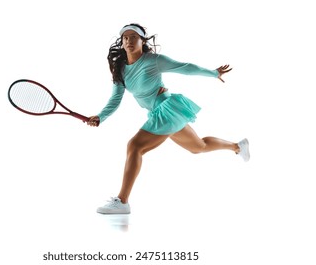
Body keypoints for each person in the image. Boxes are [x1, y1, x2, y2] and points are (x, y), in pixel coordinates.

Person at [87, 23, 249, 214]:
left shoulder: (153, 60)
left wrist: (214, 73)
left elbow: (185, 68)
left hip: (166, 109)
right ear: (122, 42)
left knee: (134, 146)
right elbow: (115, 99)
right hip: (160, 113)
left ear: (142, 41)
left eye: (134, 37)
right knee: (199, 147)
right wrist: (100, 117)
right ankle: (238, 147)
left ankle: (122, 202)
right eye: (125, 38)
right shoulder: (120, 70)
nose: (129, 41)